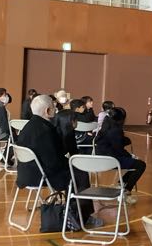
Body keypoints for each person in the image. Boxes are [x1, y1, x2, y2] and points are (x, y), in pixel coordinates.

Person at [16, 95, 101, 227]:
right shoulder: (45, 130)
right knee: (79, 174)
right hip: (40, 176)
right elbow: (53, 162)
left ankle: (76, 212)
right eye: (53, 107)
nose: (55, 109)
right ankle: (81, 217)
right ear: (47, 110)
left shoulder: (29, 126)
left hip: (25, 174)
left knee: (74, 171)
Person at [95, 107, 146, 201]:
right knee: (141, 165)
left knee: (134, 162)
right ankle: (126, 191)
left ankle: (120, 184)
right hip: (112, 160)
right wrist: (131, 156)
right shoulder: (116, 131)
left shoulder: (103, 127)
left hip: (100, 159)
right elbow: (119, 150)